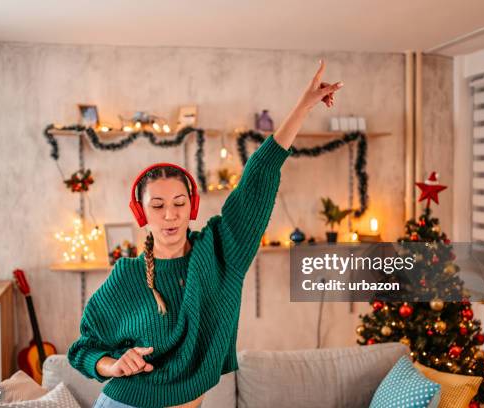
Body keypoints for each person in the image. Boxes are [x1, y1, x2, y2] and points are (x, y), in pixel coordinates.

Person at [68, 60, 344, 408]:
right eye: (157, 205)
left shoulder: (220, 252)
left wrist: (303, 106)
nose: (170, 215)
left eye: (179, 203)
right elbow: (84, 348)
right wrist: (113, 365)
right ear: (141, 213)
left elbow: (257, 178)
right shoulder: (128, 275)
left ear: (192, 207)